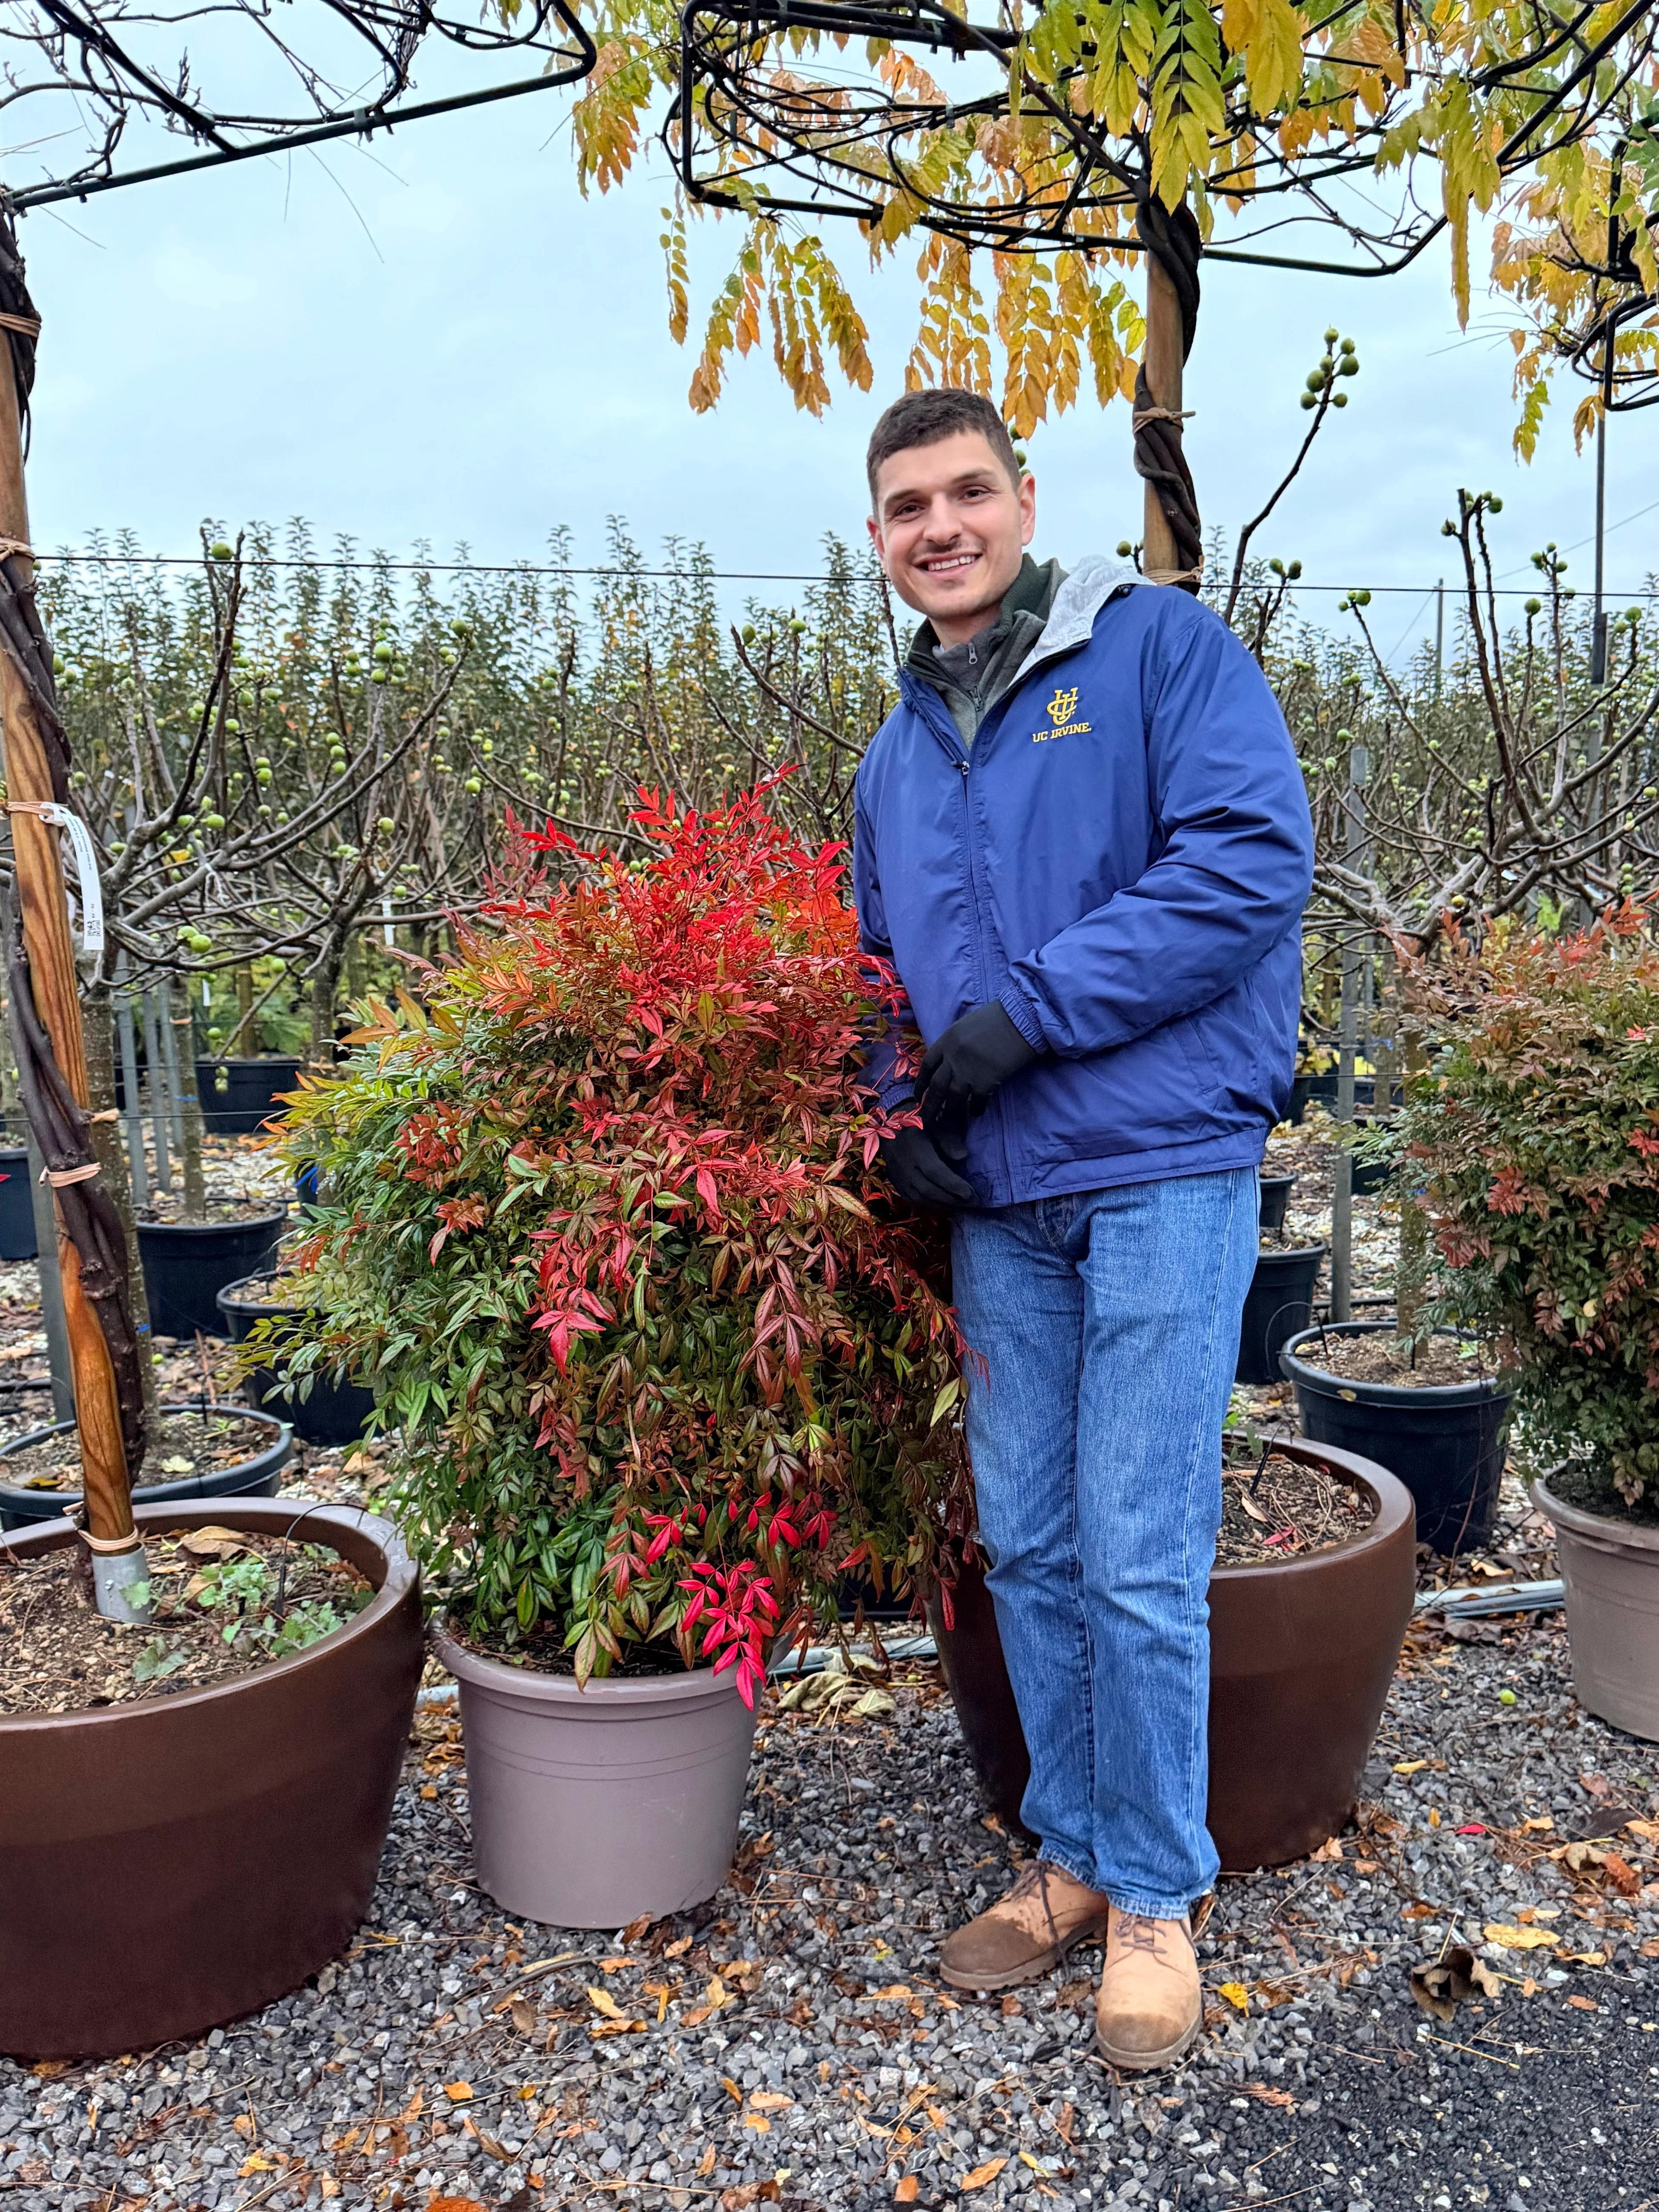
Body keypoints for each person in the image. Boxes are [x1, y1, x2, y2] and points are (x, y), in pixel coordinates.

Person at [853, 386, 1313, 2071]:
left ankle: (1153, 1903)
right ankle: (1065, 1852)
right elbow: (877, 971)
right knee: (1030, 1547)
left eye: (965, 493)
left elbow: (1245, 864)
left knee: (1131, 1552)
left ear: (1023, 499)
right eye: (906, 507)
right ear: (880, 537)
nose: (939, 529)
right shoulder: (891, 752)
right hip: (1004, 1201)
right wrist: (900, 1117)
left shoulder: (1157, 657)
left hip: (1158, 1164)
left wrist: (1030, 1014)